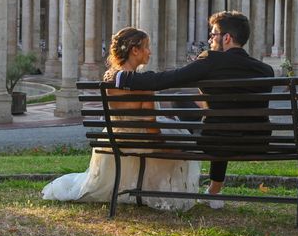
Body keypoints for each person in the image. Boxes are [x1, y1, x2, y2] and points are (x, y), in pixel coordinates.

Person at [115, 11, 274, 200]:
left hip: (217, 142)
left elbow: (167, 79)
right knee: (220, 118)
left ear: (227, 38)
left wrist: (121, 76)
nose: (210, 40)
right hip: (255, 143)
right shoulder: (266, 70)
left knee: (190, 107)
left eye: (214, 34)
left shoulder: (211, 59)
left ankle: (210, 188)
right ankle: (214, 190)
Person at [42, 27, 200, 210]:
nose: (150, 51)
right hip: (141, 141)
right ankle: (159, 191)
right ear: (135, 50)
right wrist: (168, 147)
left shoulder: (109, 77)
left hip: (114, 138)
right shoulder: (143, 85)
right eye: (147, 47)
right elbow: (152, 130)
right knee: (179, 141)